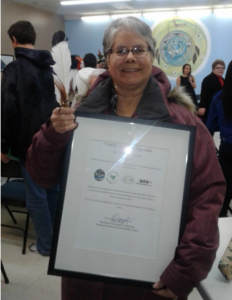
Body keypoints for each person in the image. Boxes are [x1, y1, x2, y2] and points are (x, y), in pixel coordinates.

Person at [26, 17, 225, 300]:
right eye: (120, 51)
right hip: (84, 273)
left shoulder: (183, 124)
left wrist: (186, 269)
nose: (130, 57)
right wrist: (53, 134)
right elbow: (41, 174)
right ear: (107, 58)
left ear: (151, 55)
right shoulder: (77, 117)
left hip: (151, 280)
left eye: (138, 49)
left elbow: (207, 196)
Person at [1, 21, 59, 256]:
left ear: (13, 40)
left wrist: (3, 147)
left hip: (27, 144)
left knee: (35, 195)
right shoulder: (49, 68)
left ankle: (46, 245)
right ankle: (56, 242)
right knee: (53, 191)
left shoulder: (14, 69)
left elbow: (8, 110)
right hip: (52, 140)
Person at [207, 61, 232, 217]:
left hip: (227, 147)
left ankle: (222, 218)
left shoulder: (219, 98)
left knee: (226, 187)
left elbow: (210, 125)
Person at [199, 59, 225, 125]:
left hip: (219, 109)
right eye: (218, 68)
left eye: (222, 68)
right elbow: (204, 94)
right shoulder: (208, 79)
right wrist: (202, 106)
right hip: (209, 109)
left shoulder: (223, 80)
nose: (220, 69)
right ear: (213, 69)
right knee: (207, 130)